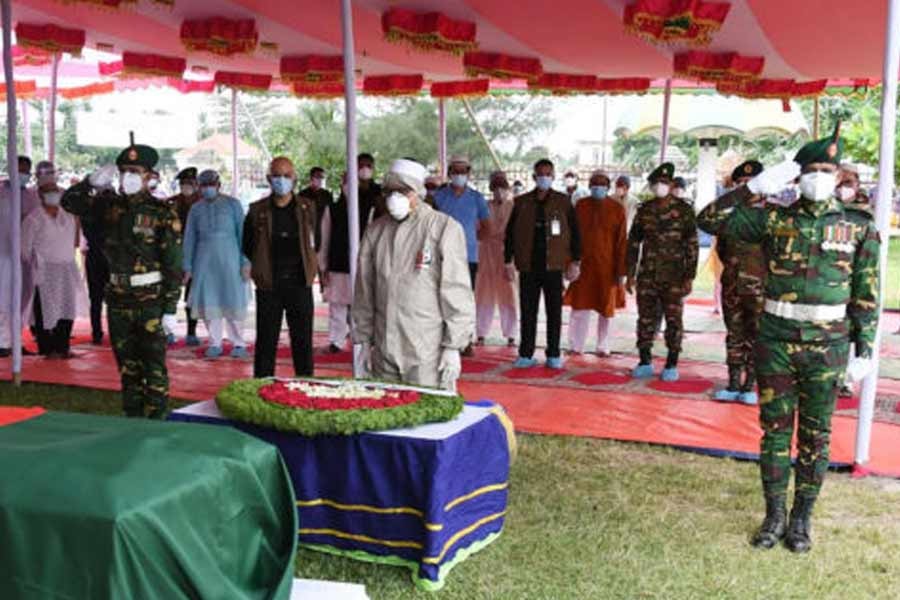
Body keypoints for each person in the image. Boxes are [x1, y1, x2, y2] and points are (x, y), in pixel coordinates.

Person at [697, 124, 879, 553]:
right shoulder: (773, 218)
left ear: (837, 176)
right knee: (774, 433)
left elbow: (867, 294)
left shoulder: (857, 226)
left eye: (825, 170)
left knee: (816, 436)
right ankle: (774, 514)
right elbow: (706, 219)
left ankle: (801, 519)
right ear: (796, 177)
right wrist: (754, 188)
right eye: (809, 170)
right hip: (776, 340)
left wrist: (865, 349)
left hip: (829, 346)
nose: (818, 177)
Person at [62, 140, 183, 418]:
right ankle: (133, 424)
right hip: (118, 298)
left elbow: (173, 264)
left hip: (150, 300)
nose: (128, 175)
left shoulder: (162, 212)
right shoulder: (107, 206)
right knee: (127, 369)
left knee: (153, 369)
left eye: (135, 170)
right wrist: (90, 182)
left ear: (149, 176)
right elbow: (70, 202)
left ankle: (156, 427)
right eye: (124, 170)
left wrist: (168, 309)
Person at [352, 158, 474, 390]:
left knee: (429, 418)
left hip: (427, 352)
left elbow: (456, 290)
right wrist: (364, 342)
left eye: (403, 191)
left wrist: (453, 346)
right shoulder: (375, 231)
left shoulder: (443, 228)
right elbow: (364, 291)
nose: (394, 198)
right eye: (390, 191)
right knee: (384, 416)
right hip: (384, 349)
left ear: (419, 192)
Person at [242, 156, 318, 378]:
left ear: (294, 178)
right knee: (266, 342)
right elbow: (247, 245)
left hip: (300, 283)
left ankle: (306, 387)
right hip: (269, 285)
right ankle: (261, 389)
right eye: (277, 175)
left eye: (286, 175)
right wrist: (262, 268)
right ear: (268, 178)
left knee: (303, 342)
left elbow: (317, 241)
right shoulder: (257, 211)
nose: (281, 180)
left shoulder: (308, 208)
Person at [504, 158, 581, 370]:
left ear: (554, 176)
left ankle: (554, 353)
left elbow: (575, 233)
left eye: (548, 174)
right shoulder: (521, 202)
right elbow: (509, 234)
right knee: (528, 312)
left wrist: (575, 261)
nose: (544, 178)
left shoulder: (563, 201)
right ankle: (526, 353)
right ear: (534, 177)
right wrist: (507, 261)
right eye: (540, 174)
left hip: (554, 265)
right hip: (528, 265)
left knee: (554, 312)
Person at [626, 162, 698, 382]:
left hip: (675, 276)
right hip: (648, 274)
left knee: (674, 320)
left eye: (664, 183)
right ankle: (645, 360)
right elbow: (633, 242)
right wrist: (630, 273)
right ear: (650, 186)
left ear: (671, 184)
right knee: (646, 318)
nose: (660, 186)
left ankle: (671, 362)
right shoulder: (644, 210)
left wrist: (689, 276)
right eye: (656, 183)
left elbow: (692, 245)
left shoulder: (684, 211)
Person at [703, 160, 767, 404]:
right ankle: (732, 383)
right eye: (741, 184)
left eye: (751, 184)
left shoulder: (774, 215)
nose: (746, 188)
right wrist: (734, 197)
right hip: (732, 286)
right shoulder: (728, 216)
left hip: (762, 289)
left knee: (756, 337)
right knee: (734, 336)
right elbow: (704, 220)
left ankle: (750, 385)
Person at [183, 170, 250, 359]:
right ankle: (215, 343)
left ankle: (238, 343)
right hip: (204, 262)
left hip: (231, 260)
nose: (207, 188)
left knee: (233, 300)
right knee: (209, 301)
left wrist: (245, 261)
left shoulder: (233, 205)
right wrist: (187, 266)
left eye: (210, 184)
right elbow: (189, 239)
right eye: (203, 185)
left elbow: (243, 235)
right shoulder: (195, 209)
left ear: (219, 185)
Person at [564, 171, 627, 356]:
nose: (597, 187)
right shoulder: (581, 206)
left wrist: (621, 271)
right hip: (583, 265)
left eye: (601, 184)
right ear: (589, 185)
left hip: (607, 268)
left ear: (608, 187)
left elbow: (622, 241)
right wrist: (569, 262)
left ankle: (603, 346)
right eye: (594, 183)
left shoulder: (617, 209)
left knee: (606, 309)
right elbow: (571, 237)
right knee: (579, 307)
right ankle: (576, 346)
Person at [22, 181, 83, 359]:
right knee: (44, 310)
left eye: (55, 191)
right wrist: (37, 263)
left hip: (66, 267)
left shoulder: (69, 217)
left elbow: (75, 243)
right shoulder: (33, 218)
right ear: (40, 195)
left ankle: (63, 347)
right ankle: (47, 348)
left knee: (66, 308)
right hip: (44, 270)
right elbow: (24, 249)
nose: (53, 195)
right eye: (48, 192)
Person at [318, 169, 374, 354]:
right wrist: (323, 266)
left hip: (363, 265)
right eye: (345, 181)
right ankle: (336, 340)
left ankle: (362, 339)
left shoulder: (369, 208)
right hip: (338, 264)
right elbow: (325, 239)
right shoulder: (332, 209)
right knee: (337, 305)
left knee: (363, 305)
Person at [836, 163, 874, 397]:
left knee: (855, 325)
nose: (843, 188)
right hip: (832, 278)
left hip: (856, 276)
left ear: (857, 184)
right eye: (840, 183)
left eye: (848, 183)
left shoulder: (864, 212)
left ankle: (848, 379)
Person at [0, 156, 41, 357]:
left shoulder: (32, 196)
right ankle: (2, 342)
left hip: (24, 256)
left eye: (27, 170)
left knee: (22, 300)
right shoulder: (1, 192)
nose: (23, 174)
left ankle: (15, 341)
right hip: (2, 254)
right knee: (3, 298)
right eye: (20, 170)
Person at [475, 171, 518, 347]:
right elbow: (478, 230)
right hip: (486, 253)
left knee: (509, 295)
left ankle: (511, 335)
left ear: (507, 188)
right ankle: (481, 333)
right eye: (496, 187)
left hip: (507, 256)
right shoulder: (484, 206)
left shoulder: (513, 206)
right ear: (491, 189)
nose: (499, 191)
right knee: (483, 294)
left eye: (502, 187)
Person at [434, 156, 490, 289]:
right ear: (449, 174)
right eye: (455, 171)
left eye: (463, 172)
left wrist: (471, 240)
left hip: (469, 256)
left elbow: (487, 228)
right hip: (443, 255)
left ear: (468, 174)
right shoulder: (439, 196)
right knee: (443, 294)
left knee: (466, 295)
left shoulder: (477, 198)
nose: (459, 175)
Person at [170, 167, 201, 345]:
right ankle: (168, 330)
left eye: (189, 183)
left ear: (196, 185)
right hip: (173, 255)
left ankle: (191, 331)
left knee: (192, 296)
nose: (186, 187)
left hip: (195, 256)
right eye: (183, 184)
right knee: (170, 294)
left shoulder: (202, 204)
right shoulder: (171, 203)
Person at [301, 166, 332, 238]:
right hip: (307, 229)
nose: (320, 179)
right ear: (311, 178)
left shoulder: (327, 195)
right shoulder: (302, 195)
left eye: (322, 177)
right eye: (318, 177)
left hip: (324, 229)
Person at [357, 152, 384, 221]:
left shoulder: (378, 190)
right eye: (361, 166)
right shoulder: (349, 189)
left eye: (368, 166)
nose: (365, 169)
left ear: (373, 168)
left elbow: (382, 211)